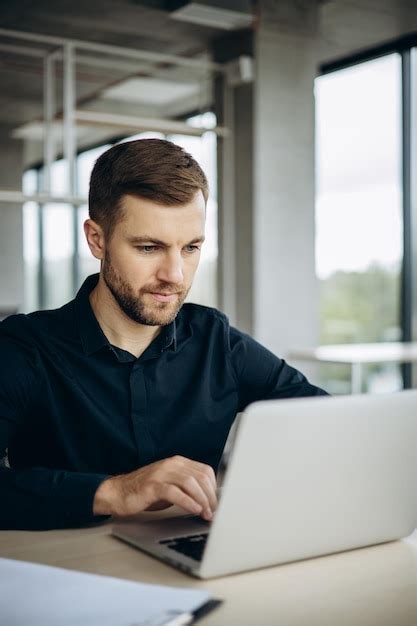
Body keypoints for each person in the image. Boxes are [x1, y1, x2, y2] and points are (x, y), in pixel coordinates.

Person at [0, 139, 327, 530]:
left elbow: (330, 423)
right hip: (62, 576)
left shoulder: (216, 342)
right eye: (150, 247)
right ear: (97, 239)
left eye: (191, 247)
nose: (175, 274)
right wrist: (114, 491)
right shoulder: (24, 348)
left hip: (193, 566)